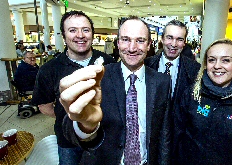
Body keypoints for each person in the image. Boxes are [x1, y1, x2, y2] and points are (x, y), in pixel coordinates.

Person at [59, 16, 172, 164]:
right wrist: (86, 125)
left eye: (140, 40)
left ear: (149, 45)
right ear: (118, 43)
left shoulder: (162, 82)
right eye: (125, 39)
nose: (132, 48)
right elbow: (69, 130)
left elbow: (164, 133)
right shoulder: (98, 77)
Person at [31, 10, 115, 165]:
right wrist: (75, 119)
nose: (80, 35)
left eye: (85, 29)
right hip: (68, 141)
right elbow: (44, 106)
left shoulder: (108, 62)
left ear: (92, 34)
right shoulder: (49, 69)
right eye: (72, 30)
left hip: (103, 134)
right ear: (63, 36)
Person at [144, 19, 201, 100]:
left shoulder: (194, 69)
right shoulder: (146, 64)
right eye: (169, 38)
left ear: (184, 42)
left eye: (179, 39)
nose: (174, 44)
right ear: (162, 39)